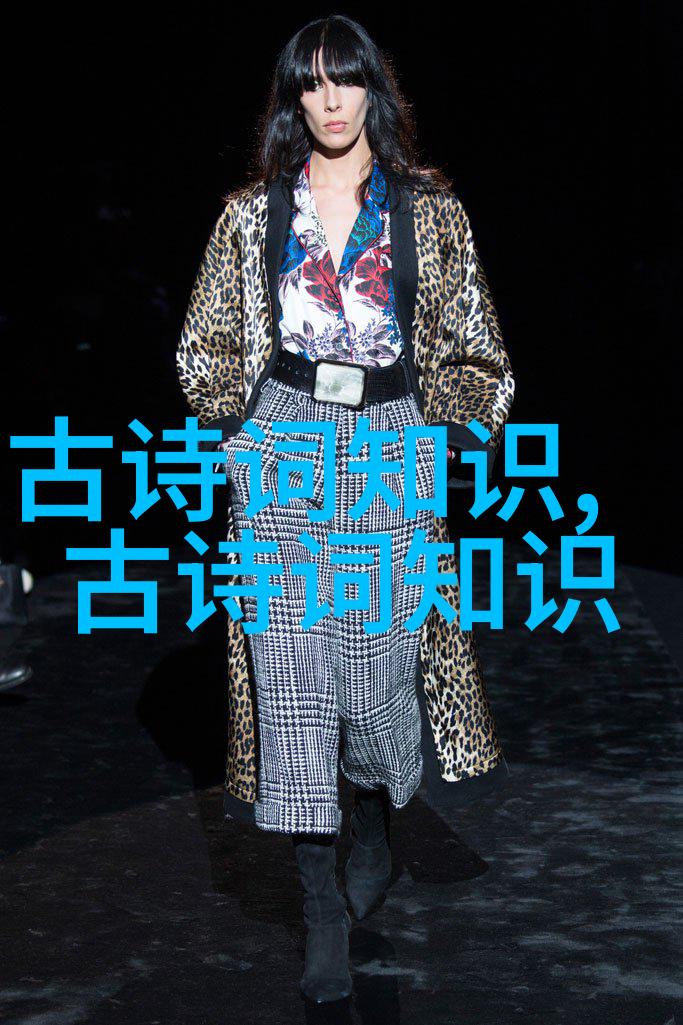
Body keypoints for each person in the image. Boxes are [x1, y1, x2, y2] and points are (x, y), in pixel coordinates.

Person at [176, 14, 515, 1004]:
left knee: (374, 684)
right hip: (282, 439)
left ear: (374, 88)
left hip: (388, 442)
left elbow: (477, 347)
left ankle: (371, 817)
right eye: (311, 84)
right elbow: (204, 342)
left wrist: (440, 432)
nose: (330, 101)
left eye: (346, 80)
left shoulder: (426, 210)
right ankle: (318, 905)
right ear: (293, 98)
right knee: (287, 678)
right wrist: (237, 427)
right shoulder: (252, 214)